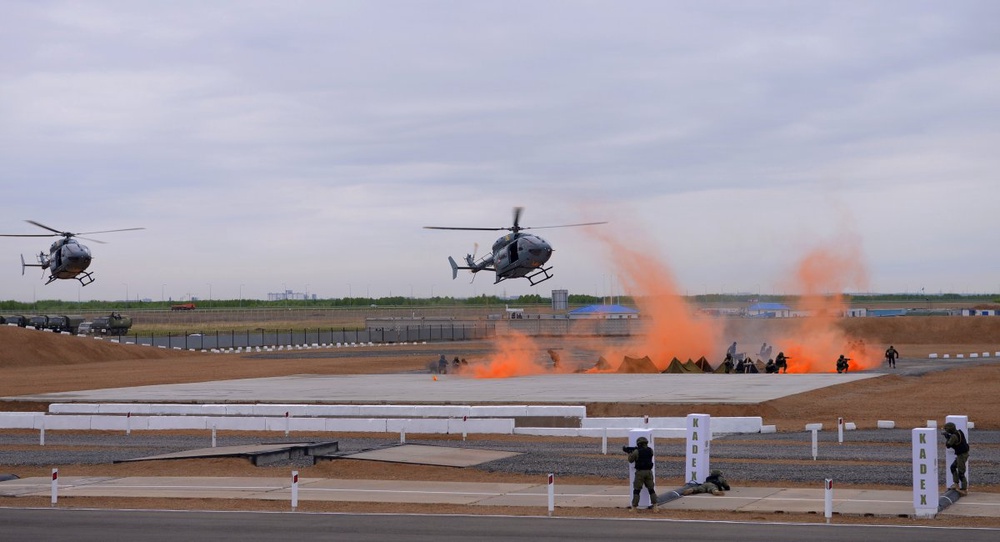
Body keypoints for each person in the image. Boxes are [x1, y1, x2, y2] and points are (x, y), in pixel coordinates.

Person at [625, 436, 658, 511]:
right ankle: (655, 506)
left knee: (637, 490)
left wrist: (630, 453)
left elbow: (630, 460)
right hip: (649, 472)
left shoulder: (636, 451)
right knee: (651, 489)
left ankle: (634, 507)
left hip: (640, 473)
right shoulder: (650, 450)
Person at [943, 422, 970, 495]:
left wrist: (947, 437)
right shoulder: (959, 432)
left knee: (961, 472)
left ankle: (964, 489)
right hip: (962, 454)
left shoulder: (954, 436)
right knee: (953, 467)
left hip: (962, 455)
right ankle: (956, 483)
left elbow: (948, 445)